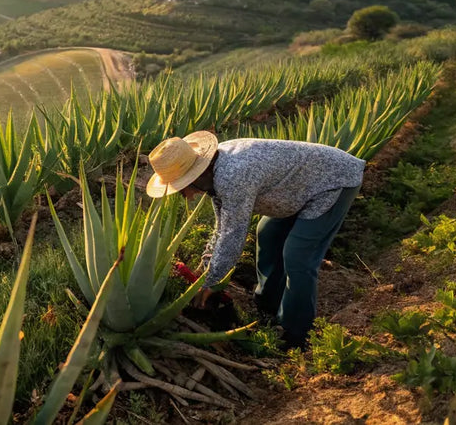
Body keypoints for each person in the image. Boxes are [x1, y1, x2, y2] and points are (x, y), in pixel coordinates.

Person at [145, 132, 364, 348]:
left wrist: (212, 282)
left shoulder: (232, 175)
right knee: (267, 234)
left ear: (193, 177)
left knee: (298, 256)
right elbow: (222, 226)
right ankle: (267, 306)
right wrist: (206, 272)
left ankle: (295, 334)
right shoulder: (213, 171)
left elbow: (233, 233)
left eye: (179, 187)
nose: (182, 194)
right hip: (296, 187)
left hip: (331, 181)